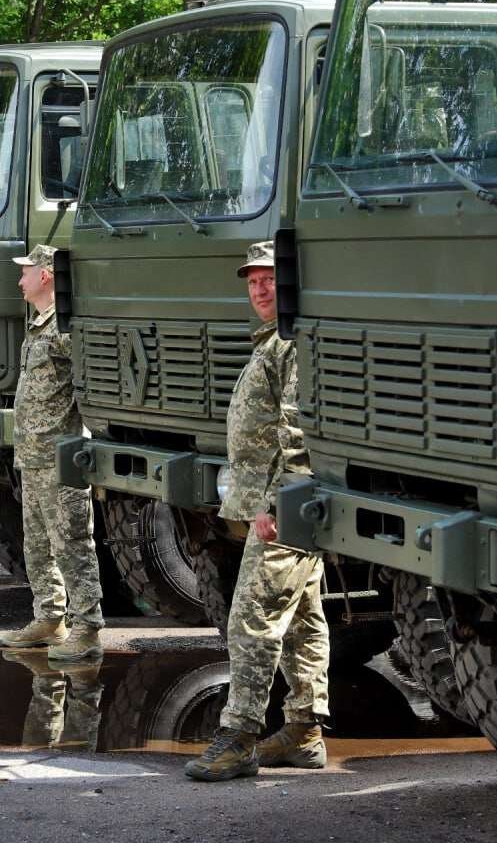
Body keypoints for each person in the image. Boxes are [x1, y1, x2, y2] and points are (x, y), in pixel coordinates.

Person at [184, 240, 329, 782]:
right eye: (252, 280)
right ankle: (304, 730)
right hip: (284, 504)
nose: (260, 288)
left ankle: (239, 736)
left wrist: (275, 503)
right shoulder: (273, 340)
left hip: (285, 505)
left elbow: (296, 426)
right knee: (304, 620)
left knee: (253, 618)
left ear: (287, 282)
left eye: (268, 278)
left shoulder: (291, 343)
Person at [0, 243, 104, 663]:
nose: (19, 279)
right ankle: (49, 617)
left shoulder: (64, 328)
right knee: (39, 545)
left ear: (46, 275)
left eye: (25, 272)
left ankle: (87, 628)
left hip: (61, 460)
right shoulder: (39, 325)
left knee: (72, 544)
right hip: (33, 457)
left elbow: (86, 389)